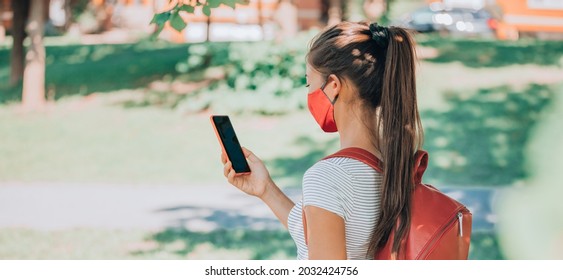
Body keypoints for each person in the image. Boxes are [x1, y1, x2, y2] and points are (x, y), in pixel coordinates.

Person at [220, 21, 424, 260]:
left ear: (334, 86)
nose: (308, 93)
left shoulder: (329, 177)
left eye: (309, 83)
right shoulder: (395, 163)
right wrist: (267, 190)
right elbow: (328, 236)